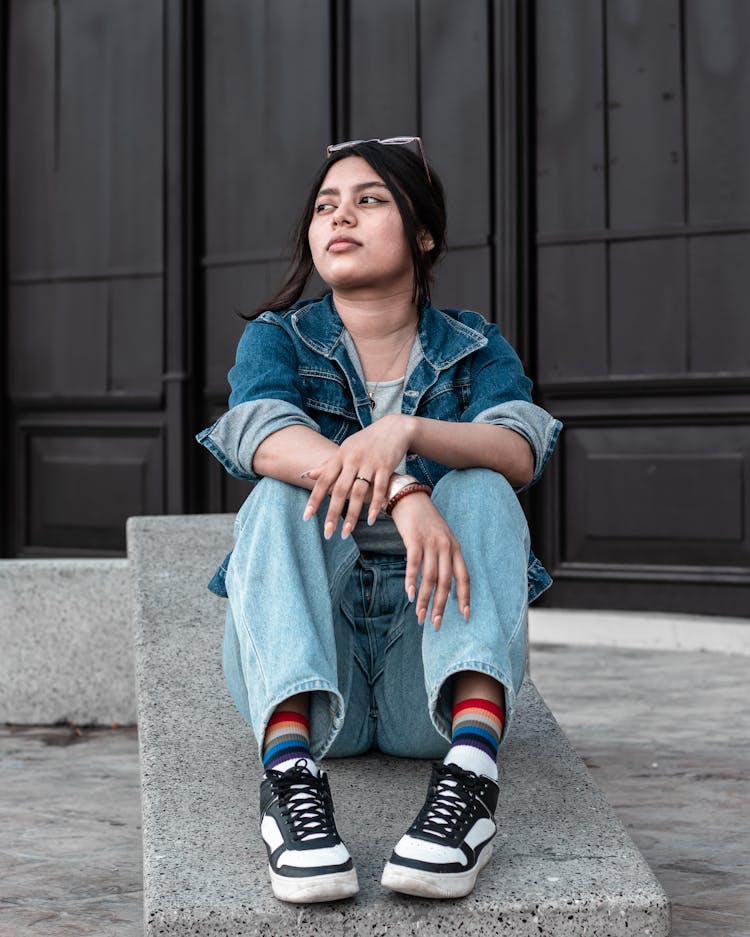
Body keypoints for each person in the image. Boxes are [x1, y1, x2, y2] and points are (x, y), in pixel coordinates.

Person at [197, 137, 561, 905]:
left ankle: (469, 781)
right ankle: (291, 787)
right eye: (326, 205)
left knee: (484, 485)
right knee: (277, 494)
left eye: (368, 200)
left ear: (423, 233)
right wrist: (402, 488)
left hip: (423, 668)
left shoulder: (472, 345)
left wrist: (410, 431)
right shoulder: (279, 338)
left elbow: (520, 447)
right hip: (311, 665)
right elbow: (261, 434)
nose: (340, 217)